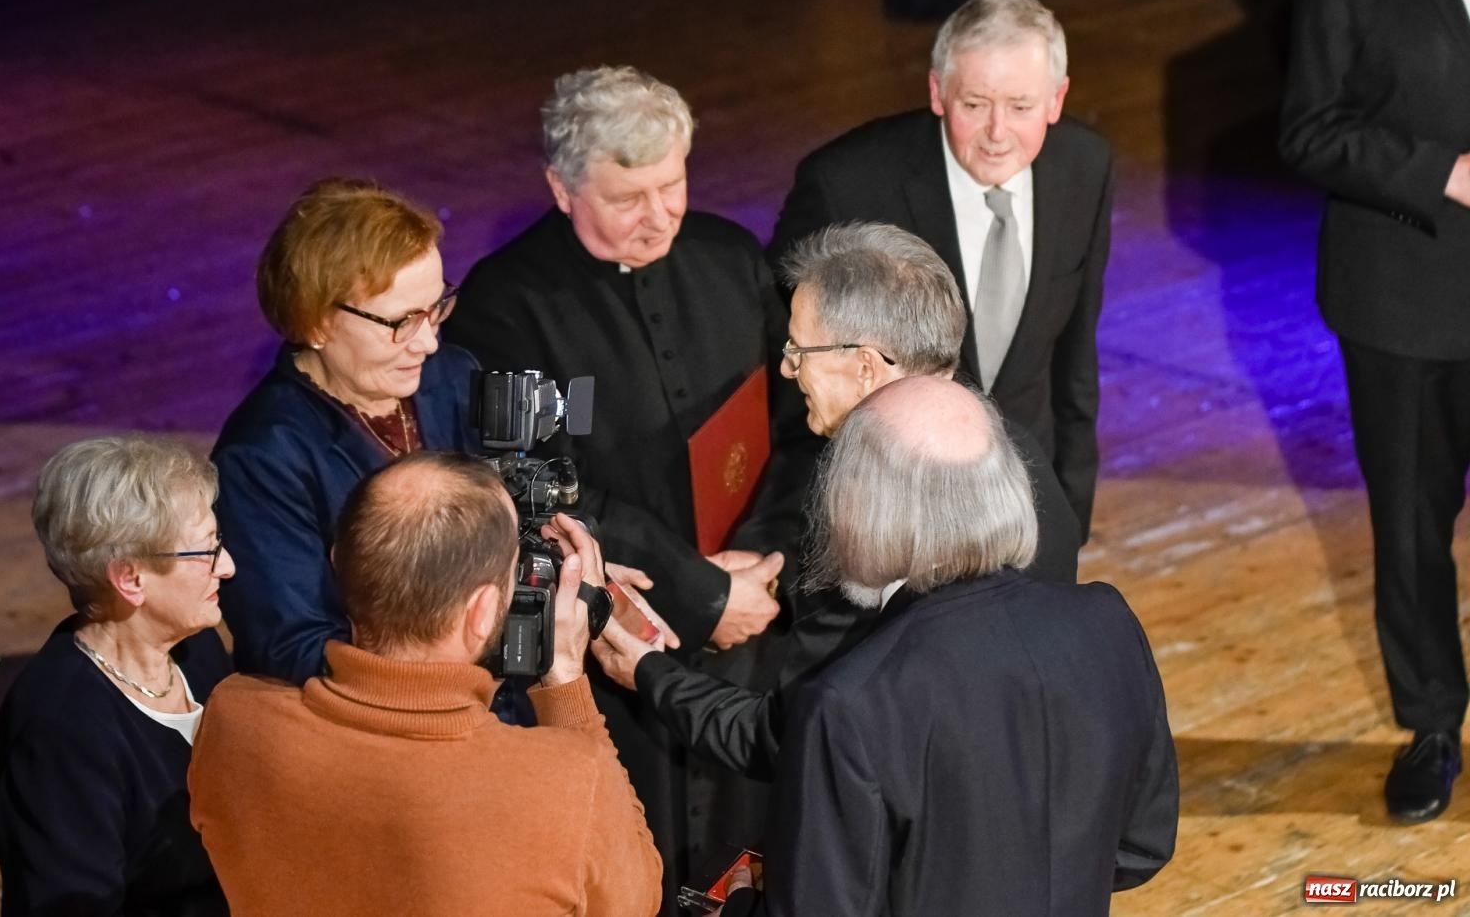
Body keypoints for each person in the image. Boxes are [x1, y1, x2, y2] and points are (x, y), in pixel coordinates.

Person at [444, 65, 817, 907]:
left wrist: (764, 562)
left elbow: (799, 423)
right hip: (619, 634)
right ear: (561, 189)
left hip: (755, 616)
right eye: (627, 198)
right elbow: (539, 482)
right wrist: (703, 591)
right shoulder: (505, 303)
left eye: (672, 186)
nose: (659, 217)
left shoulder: (730, 257)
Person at [593, 221, 1082, 779]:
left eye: (799, 350)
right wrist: (774, 570)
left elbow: (792, 739)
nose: (786, 367)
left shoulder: (873, 520)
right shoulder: (1018, 453)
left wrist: (650, 674)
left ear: (865, 366)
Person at [725, 378, 1177, 916]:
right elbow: (1143, 844)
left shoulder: (850, 702)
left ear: (865, 505)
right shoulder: (1107, 620)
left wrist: (740, 904)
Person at [189, 451, 661, 917]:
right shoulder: (568, 783)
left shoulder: (234, 718)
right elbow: (635, 901)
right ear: (481, 612)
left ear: (338, 562)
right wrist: (564, 678)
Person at [769, 0, 1112, 540]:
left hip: (1027, 501)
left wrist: (1071, 510)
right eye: (974, 105)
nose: (997, 133)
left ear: (1056, 99)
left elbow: (1075, 357)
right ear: (937, 91)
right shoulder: (845, 184)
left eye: (1021, 107)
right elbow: (788, 361)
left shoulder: (1086, 166)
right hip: (887, 513)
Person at [1279, 0, 1470, 823]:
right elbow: (1308, 128)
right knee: (1411, 528)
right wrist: (1443, 171)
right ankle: (1431, 724)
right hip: (1402, 298)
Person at [212, 177, 477, 686]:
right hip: (369, 714)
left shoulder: (453, 376)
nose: (428, 343)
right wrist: (449, 665)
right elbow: (292, 648)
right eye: (402, 322)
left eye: (436, 310)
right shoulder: (261, 459)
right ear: (317, 323)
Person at [0, 436, 234, 917]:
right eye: (206, 551)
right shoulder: (62, 732)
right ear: (130, 579)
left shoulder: (194, 648)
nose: (227, 566)